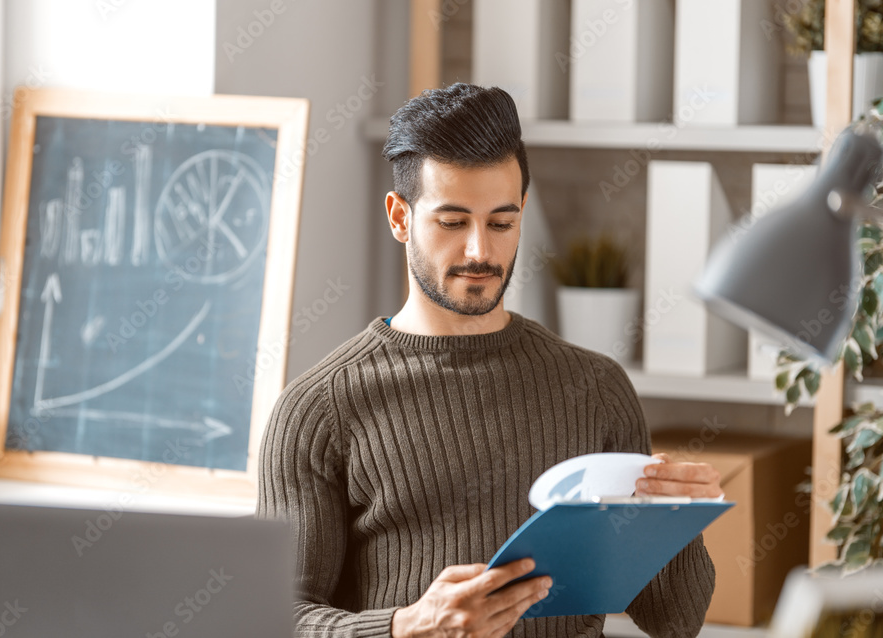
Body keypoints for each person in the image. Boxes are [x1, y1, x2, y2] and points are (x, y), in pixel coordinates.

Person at [256, 83, 722, 638]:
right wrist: (405, 628)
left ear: (523, 209)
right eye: (453, 222)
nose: (480, 251)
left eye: (501, 222)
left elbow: (676, 619)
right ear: (400, 217)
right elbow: (272, 617)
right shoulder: (318, 409)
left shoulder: (595, 387)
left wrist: (676, 520)